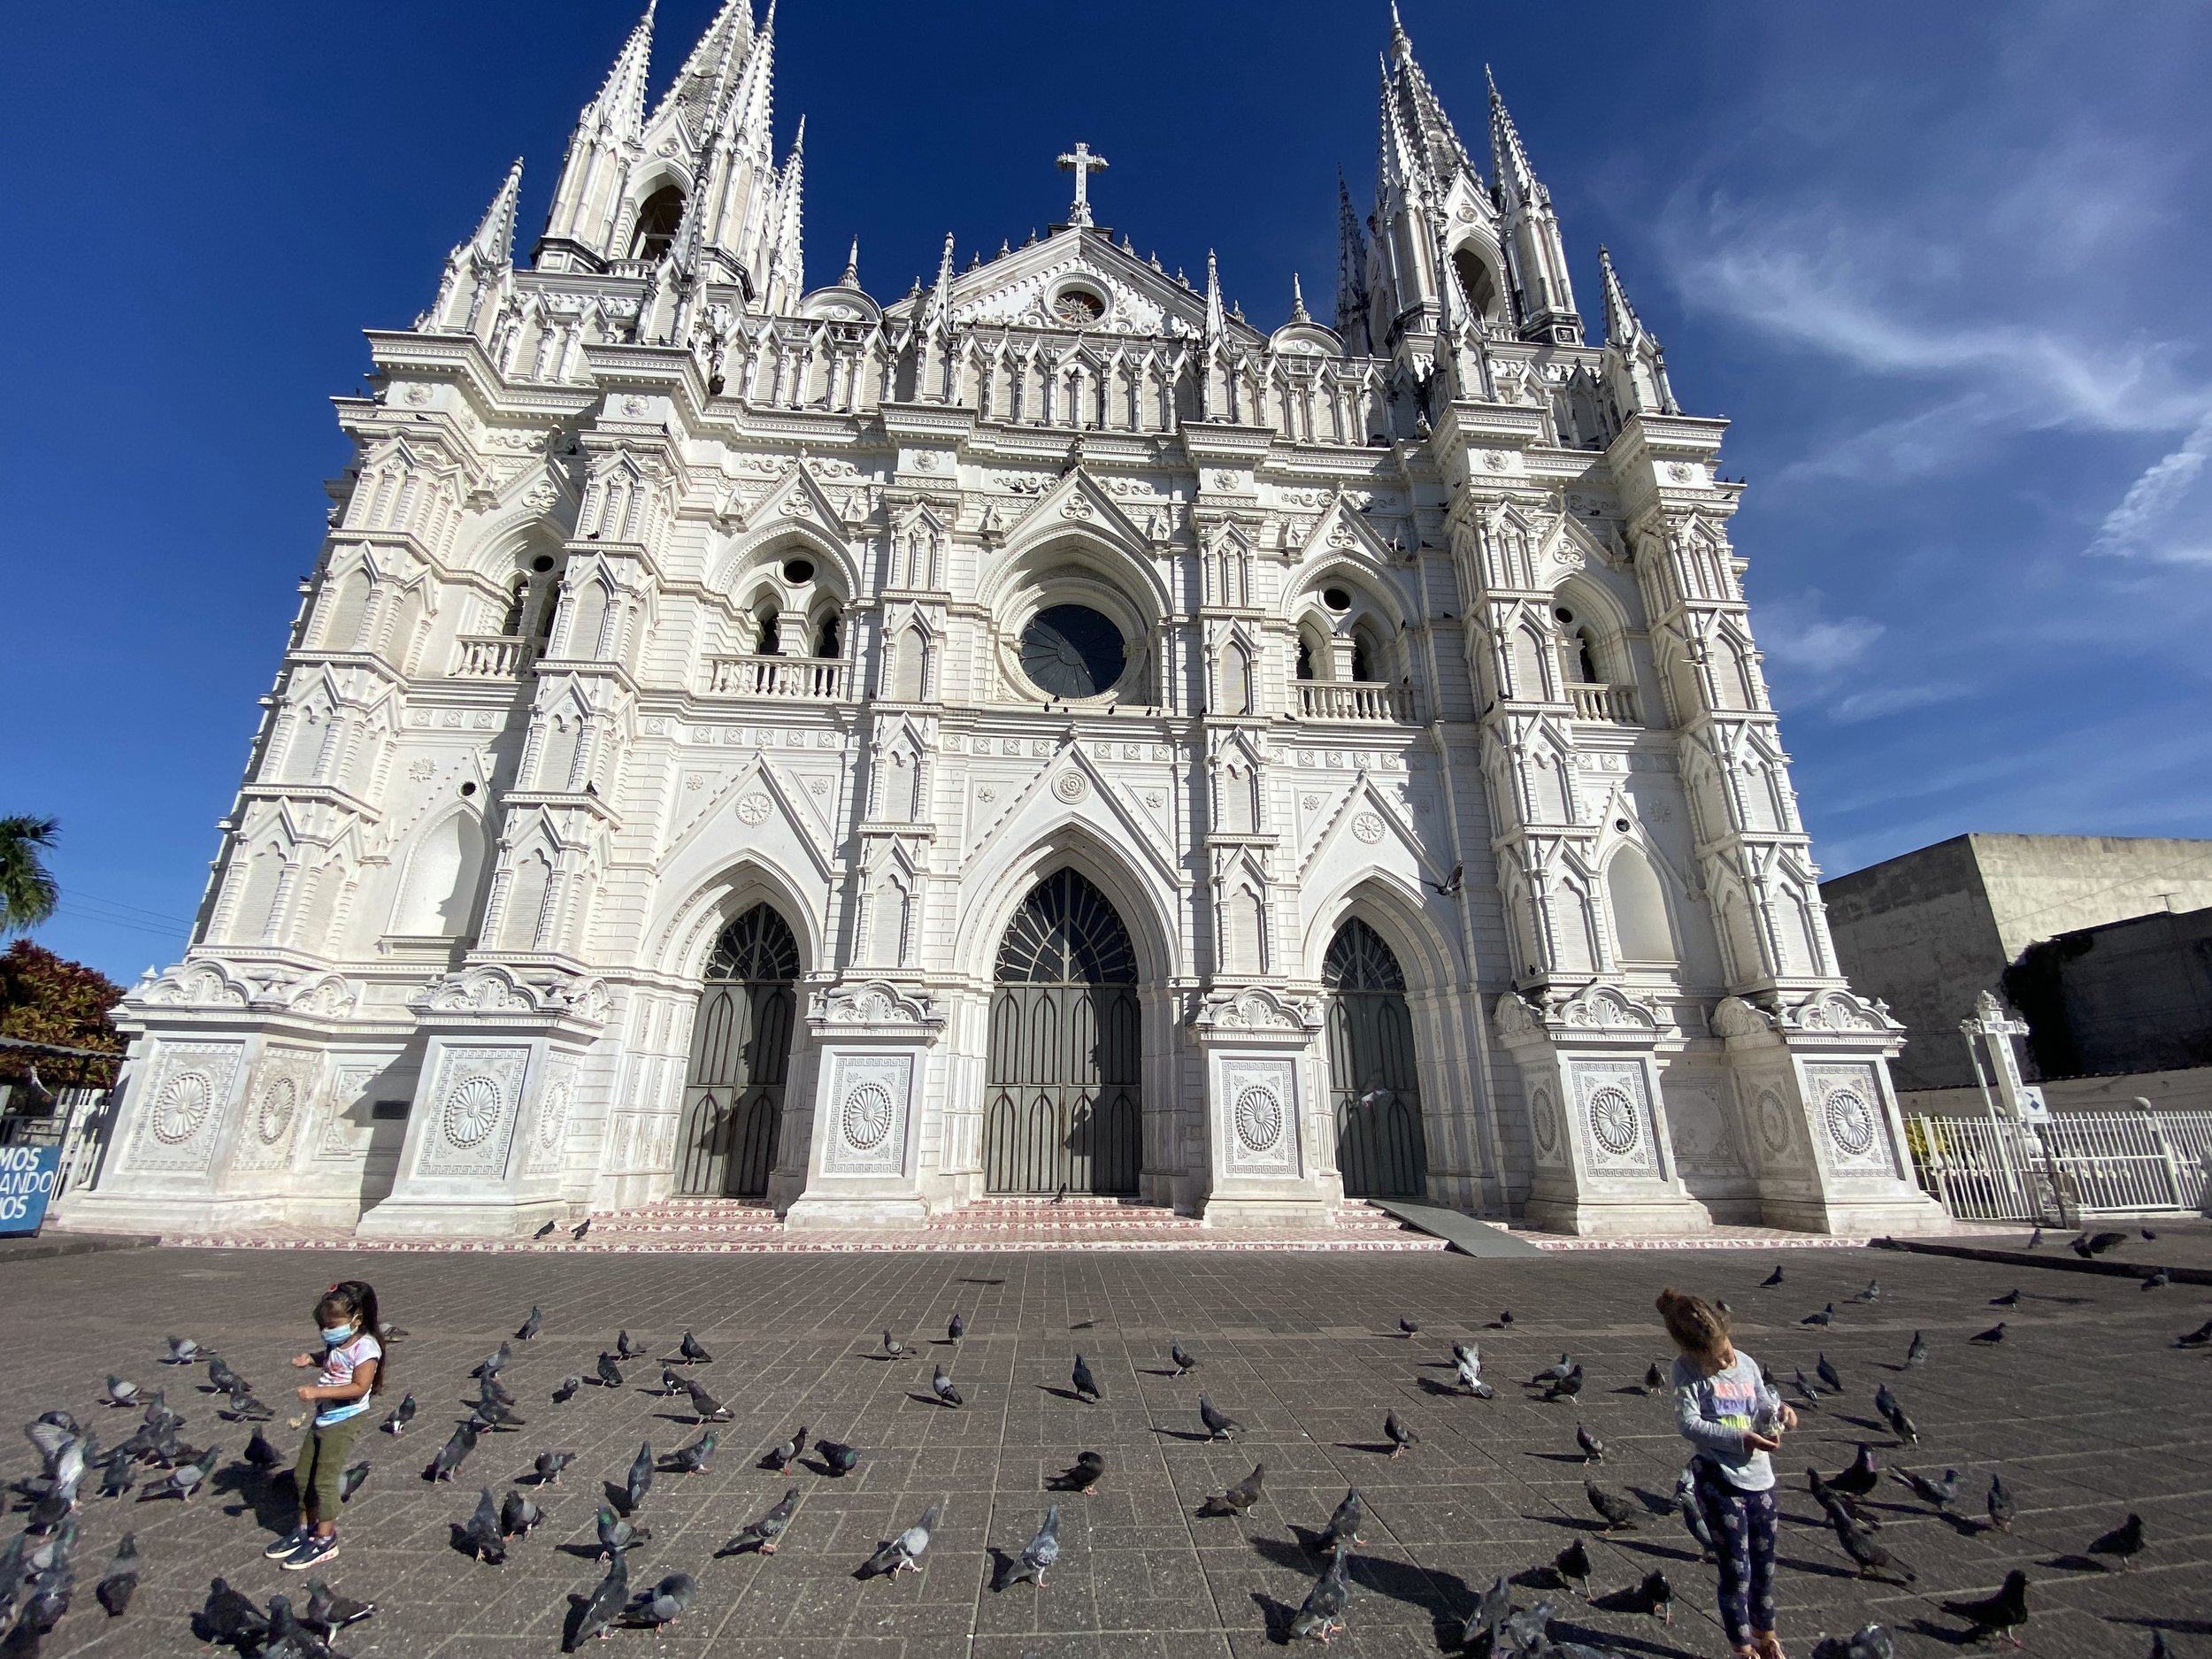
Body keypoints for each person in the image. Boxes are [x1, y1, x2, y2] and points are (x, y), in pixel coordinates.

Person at [1658, 1286, 1794, 1659]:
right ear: (1691, 1352)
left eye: (1727, 1351)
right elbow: (1688, 1424)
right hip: (1719, 1479)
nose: (1725, 1361)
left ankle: (1767, 1636)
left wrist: (1781, 1413)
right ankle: (1742, 1646)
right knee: (1737, 1570)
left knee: (1765, 1568)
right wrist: (1740, 1439)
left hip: (1760, 1480)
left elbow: (1763, 1402)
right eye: (1715, 1359)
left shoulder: (1745, 1363)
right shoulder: (1684, 1371)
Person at [265, 1279, 386, 1571]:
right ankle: (304, 1529)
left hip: (344, 1419)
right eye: (323, 1326)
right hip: (324, 1415)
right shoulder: (337, 1342)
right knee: (302, 1475)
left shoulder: (367, 1348)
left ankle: (326, 1539)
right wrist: (312, 1359)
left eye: (332, 1325)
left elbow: (359, 1387)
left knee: (325, 1481)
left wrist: (317, 1392)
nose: (327, 1331)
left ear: (357, 1319)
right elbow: (333, 1360)